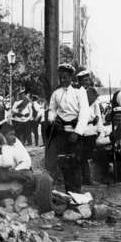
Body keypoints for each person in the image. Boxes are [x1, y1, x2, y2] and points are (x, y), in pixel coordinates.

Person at [47, 63, 90, 193]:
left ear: (71, 78)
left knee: (75, 163)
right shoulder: (56, 94)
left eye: (66, 77)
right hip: (61, 132)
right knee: (63, 162)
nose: (63, 80)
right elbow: (51, 110)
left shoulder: (79, 93)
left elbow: (84, 114)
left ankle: (76, 192)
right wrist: (52, 119)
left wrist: (77, 132)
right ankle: (67, 191)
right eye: (61, 78)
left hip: (75, 132)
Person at [0, 121, 33, 189]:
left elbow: (27, 162)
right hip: (5, 176)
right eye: (11, 134)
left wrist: (15, 171)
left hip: (16, 173)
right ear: (1, 136)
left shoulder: (16, 142)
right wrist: (4, 145)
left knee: (27, 173)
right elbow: (6, 163)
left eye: (14, 134)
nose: (14, 137)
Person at [77, 70, 102, 186]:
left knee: (89, 155)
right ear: (79, 81)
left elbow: (97, 112)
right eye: (84, 80)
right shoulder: (77, 94)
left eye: (88, 79)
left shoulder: (92, 92)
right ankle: (85, 178)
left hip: (92, 129)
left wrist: (99, 127)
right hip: (82, 128)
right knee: (82, 155)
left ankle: (89, 177)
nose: (87, 82)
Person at [93, 107, 121, 183]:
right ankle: (103, 176)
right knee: (103, 154)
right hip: (103, 151)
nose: (118, 119)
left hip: (114, 151)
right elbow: (97, 142)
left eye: (120, 117)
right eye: (116, 116)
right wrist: (110, 139)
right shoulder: (104, 127)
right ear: (112, 117)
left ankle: (118, 176)